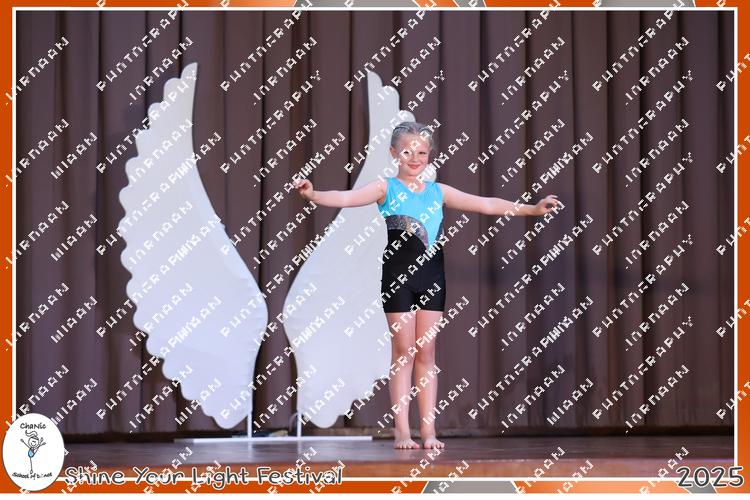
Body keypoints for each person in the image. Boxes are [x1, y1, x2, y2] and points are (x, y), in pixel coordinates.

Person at [292, 121, 560, 450]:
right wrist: (313, 194)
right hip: (398, 279)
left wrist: (531, 209)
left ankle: (429, 430)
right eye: (407, 152)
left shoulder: (438, 192)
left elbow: (487, 204)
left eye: (421, 152)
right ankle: (402, 431)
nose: (415, 158)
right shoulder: (385, 188)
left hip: (432, 277)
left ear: (430, 154)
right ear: (394, 153)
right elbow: (346, 198)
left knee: (427, 352)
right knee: (403, 351)